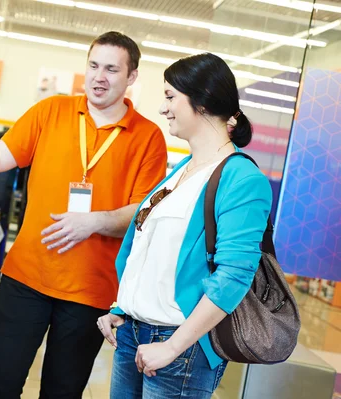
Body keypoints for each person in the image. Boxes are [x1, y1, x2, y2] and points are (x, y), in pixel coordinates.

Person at [0, 31, 167, 398]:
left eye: (111, 69)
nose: (99, 76)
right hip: (26, 278)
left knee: (61, 393)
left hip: (90, 294)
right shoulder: (51, 112)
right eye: (93, 65)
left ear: (131, 77)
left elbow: (143, 214)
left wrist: (94, 221)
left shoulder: (148, 138)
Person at [97, 52, 273, 398]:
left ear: (203, 102)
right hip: (135, 335)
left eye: (170, 97)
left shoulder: (241, 179)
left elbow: (234, 276)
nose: (163, 108)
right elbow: (152, 248)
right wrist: (125, 307)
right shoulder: (183, 169)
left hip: (182, 347)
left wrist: (173, 346)